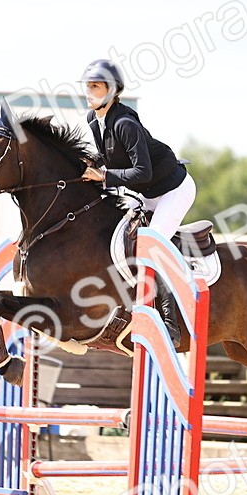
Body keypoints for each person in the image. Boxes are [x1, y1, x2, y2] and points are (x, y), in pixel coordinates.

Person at [79, 59, 196, 341]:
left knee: (152, 248)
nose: (89, 92)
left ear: (111, 90)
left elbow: (142, 172)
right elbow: (108, 157)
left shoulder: (125, 123)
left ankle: (171, 324)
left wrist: (103, 176)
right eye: (88, 86)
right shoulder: (94, 119)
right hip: (147, 193)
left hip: (173, 189)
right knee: (114, 234)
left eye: (95, 86)